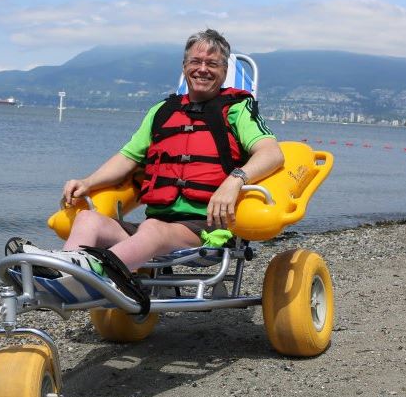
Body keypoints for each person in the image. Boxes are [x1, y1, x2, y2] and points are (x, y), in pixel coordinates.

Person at [61, 29, 284, 272]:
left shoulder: (238, 110)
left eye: (212, 63)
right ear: (184, 66)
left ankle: (85, 275)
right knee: (88, 220)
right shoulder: (162, 111)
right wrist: (87, 181)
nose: (202, 69)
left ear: (224, 70)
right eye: (195, 61)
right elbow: (128, 157)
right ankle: (62, 274)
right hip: (156, 226)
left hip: (207, 230)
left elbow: (272, 153)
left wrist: (235, 180)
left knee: (152, 230)